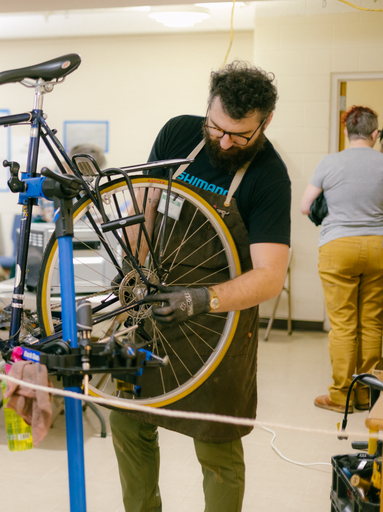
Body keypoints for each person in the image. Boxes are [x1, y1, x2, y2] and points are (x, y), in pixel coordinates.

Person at [110, 61, 291, 512]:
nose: (224, 141)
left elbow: (270, 275)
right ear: (207, 109)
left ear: (266, 122)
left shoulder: (269, 176)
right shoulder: (179, 135)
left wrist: (202, 299)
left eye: (239, 135)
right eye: (216, 127)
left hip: (217, 323)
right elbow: (145, 203)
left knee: (216, 443)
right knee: (129, 421)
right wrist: (131, 265)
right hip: (152, 304)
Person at [300, 106, 383, 413]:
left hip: (338, 247)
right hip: (379, 248)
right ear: (375, 134)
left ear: (347, 133)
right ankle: (366, 395)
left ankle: (341, 396)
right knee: (372, 323)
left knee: (343, 325)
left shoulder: (330, 162)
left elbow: (305, 206)